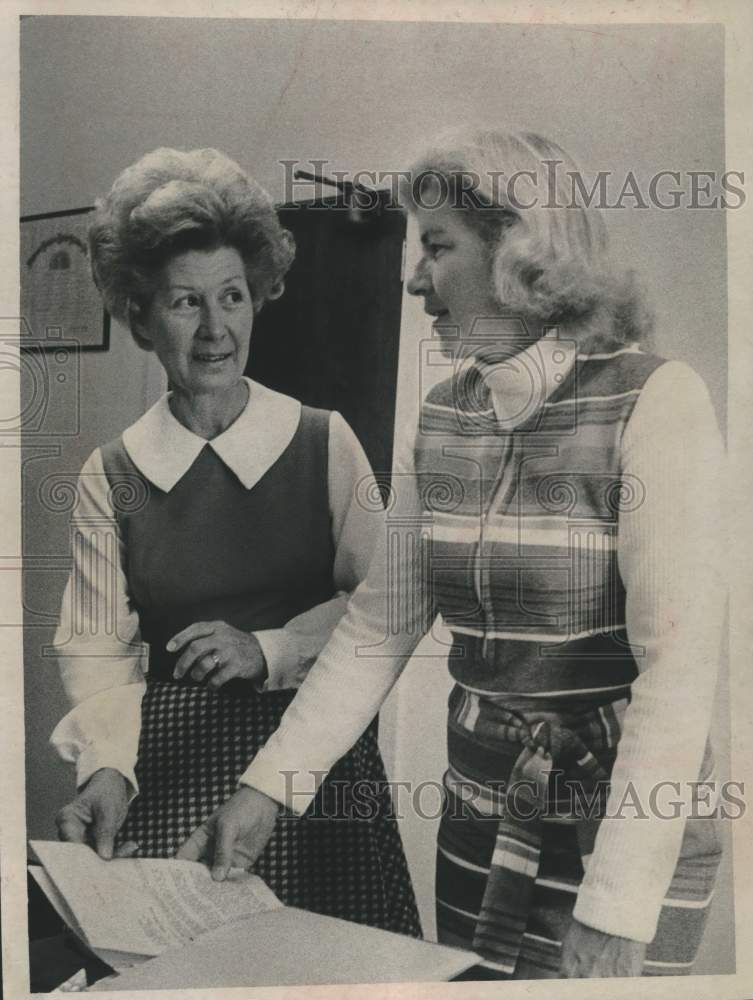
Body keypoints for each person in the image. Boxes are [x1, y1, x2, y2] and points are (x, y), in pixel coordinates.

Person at [184, 129, 727, 979]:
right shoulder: (443, 414)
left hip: (626, 832)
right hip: (480, 815)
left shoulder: (656, 400)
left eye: (436, 247)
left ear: (520, 251)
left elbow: (678, 674)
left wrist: (616, 905)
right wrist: (266, 790)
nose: (413, 279)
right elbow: (376, 628)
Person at [50, 146, 421, 937]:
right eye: (186, 302)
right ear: (140, 317)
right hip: (170, 767)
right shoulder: (111, 472)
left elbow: (382, 609)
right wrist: (105, 766)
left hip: (312, 768)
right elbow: (95, 646)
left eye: (233, 296)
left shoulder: (325, 441)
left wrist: (269, 649)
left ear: (258, 299)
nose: (216, 328)